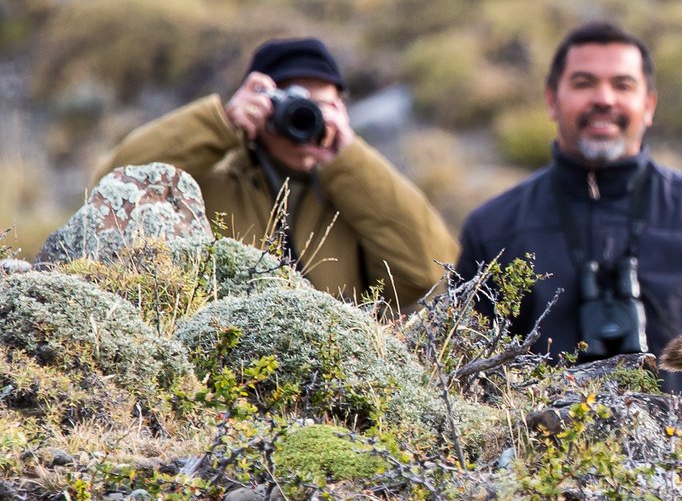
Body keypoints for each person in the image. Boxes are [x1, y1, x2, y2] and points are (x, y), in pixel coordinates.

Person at [454, 21, 682, 406]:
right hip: (537, 456)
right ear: (552, 100)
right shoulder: (495, 226)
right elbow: (459, 365)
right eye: (584, 83)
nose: (604, 99)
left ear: (649, 105)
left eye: (623, 85)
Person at [93, 36, 458, 310]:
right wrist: (221, 124)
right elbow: (114, 186)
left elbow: (426, 276)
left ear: (343, 111)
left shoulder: (356, 196)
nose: (305, 118)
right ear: (258, 105)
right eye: (293, 103)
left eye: (323, 106)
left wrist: (351, 158)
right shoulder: (207, 182)